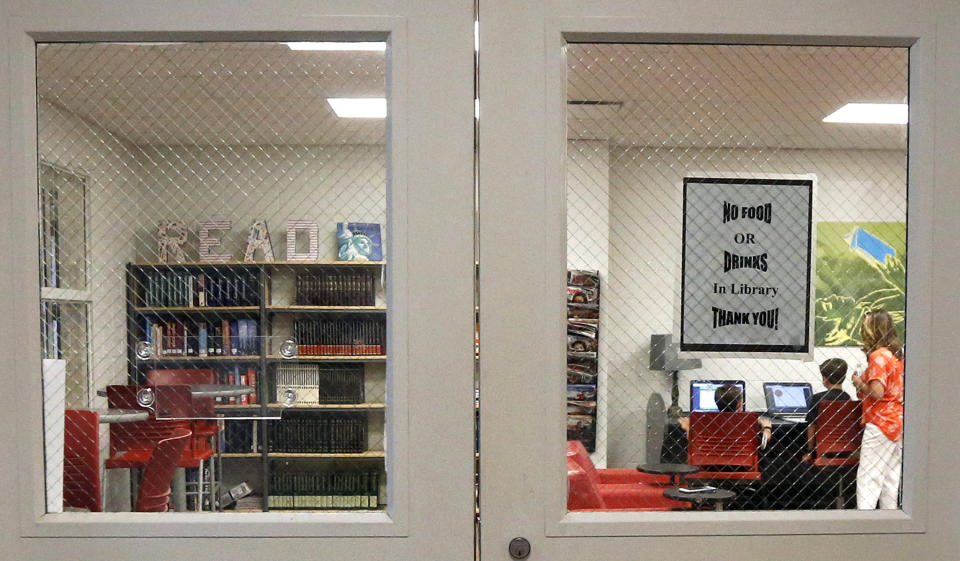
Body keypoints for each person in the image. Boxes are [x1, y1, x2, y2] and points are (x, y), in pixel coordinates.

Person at [851, 309, 904, 510]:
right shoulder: (895, 355)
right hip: (896, 420)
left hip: (880, 421)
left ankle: (865, 520)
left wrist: (858, 382)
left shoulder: (878, 356)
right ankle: (889, 518)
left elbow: (877, 392)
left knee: (869, 476)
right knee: (890, 477)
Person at [679, 384, 772, 444]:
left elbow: (691, 439)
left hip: (710, 464)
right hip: (741, 465)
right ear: (739, 405)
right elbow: (764, 441)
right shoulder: (747, 421)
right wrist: (767, 428)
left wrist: (688, 427)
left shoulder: (705, 420)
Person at [802, 358, 852, 462]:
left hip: (822, 451)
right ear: (844, 377)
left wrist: (810, 451)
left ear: (825, 378)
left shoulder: (818, 399)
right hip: (846, 450)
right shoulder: (848, 399)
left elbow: (812, 427)